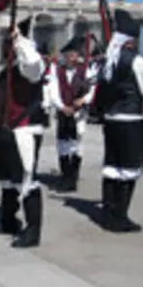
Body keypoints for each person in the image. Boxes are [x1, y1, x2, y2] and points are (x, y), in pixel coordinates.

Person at [95, 9, 143, 233]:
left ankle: (108, 212)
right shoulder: (136, 61)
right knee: (129, 167)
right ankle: (120, 217)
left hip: (111, 120)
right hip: (131, 119)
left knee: (112, 166)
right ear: (131, 41)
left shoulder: (108, 62)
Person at [0, 25, 46, 248]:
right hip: (4, 130)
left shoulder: (30, 67)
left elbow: (31, 62)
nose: (7, 46)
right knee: (6, 180)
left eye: (10, 42)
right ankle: (7, 221)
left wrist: (20, 39)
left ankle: (33, 230)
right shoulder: (5, 70)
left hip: (24, 129)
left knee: (25, 180)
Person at [48, 36, 95, 192]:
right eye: (69, 54)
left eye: (74, 54)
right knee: (62, 143)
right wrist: (61, 106)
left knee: (77, 142)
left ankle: (73, 177)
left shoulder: (86, 70)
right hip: (63, 111)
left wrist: (83, 100)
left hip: (79, 112)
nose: (72, 57)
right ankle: (65, 174)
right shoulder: (58, 70)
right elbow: (53, 90)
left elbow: (93, 90)